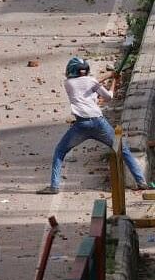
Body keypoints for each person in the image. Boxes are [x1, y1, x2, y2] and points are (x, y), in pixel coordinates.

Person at [37, 57, 150, 194]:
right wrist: (113, 80)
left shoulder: (68, 83)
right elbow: (108, 96)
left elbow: (90, 83)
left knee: (60, 152)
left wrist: (110, 76)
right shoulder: (91, 81)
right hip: (99, 123)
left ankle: (54, 186)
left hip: (81, 125)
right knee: (122, 148)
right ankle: (141, 181)